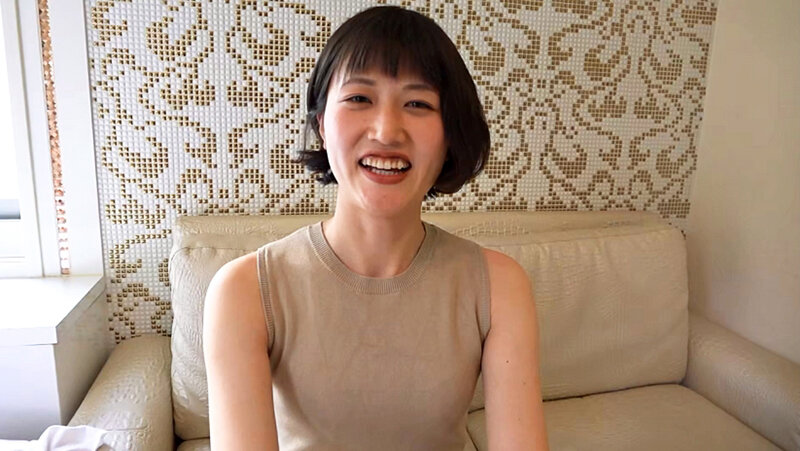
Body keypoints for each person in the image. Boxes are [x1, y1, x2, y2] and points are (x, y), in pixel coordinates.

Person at [203, 5, 548, 450]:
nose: (387, 131)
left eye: (418, 104)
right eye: (359, 99)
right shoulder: (245, 291)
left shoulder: (499, 287)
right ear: (321, 124)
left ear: (449, 136)